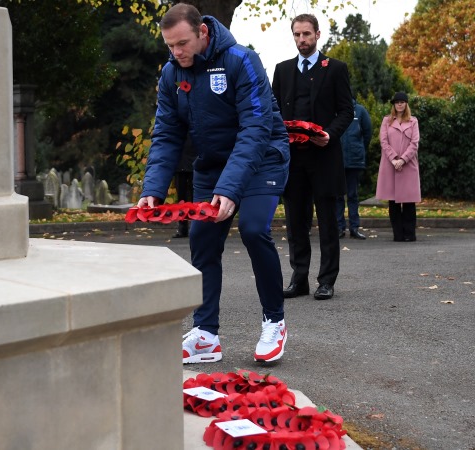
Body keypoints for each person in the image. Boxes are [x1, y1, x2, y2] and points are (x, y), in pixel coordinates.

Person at [137, 4, 290, 363]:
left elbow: (255, 129)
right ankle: (206, 334)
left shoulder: (242, 60)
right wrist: (152, 190)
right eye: (170, 46)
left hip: (263, 155)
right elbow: (166, 135)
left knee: (253, 229)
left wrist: (230, 190)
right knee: (202, 238)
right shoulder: (171, 74)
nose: (177, 53)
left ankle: (275, 321)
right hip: (213, 165)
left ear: (203, 32)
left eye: (183, 43)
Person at [271, 14, 353, 301]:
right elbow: (274, 112)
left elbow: (346, 111)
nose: (302, 40)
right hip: (293, 159)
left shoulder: (336, 69)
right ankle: (299, 279)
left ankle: (327, 280)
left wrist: (329, 134)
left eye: (307, 34)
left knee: (329, 222)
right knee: (296, 222)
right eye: (297, 34)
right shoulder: (281, 71)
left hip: (325, 156)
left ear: (318, 35)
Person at [376, 92, 421, 242]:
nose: (399, 104)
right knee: (393, 202)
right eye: (397, 102)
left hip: (408, 166)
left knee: (409, 202)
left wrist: (403, 159)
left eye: (402, 102)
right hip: (390, 165)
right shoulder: (386, 121)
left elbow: (414, 143)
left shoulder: (413, 121)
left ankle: (409, 234)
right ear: (394, 105)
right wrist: (394, 159)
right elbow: (383, 142)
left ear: (406, 104)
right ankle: (398, 234)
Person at [337, 98, 372, 240]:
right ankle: (339, 227)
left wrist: (359, 149)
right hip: (337, 160)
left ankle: (354, 227)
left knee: (353, 195)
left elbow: (367, 133)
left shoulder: (360, 111)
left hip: (354, 160)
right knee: (338, 196)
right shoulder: (334, 110)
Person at [172, 138, 196, 238]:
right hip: (180, 165)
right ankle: (183, 227)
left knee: (194, 198)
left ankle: (194, 227)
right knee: (181, 198)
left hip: (193, 164)